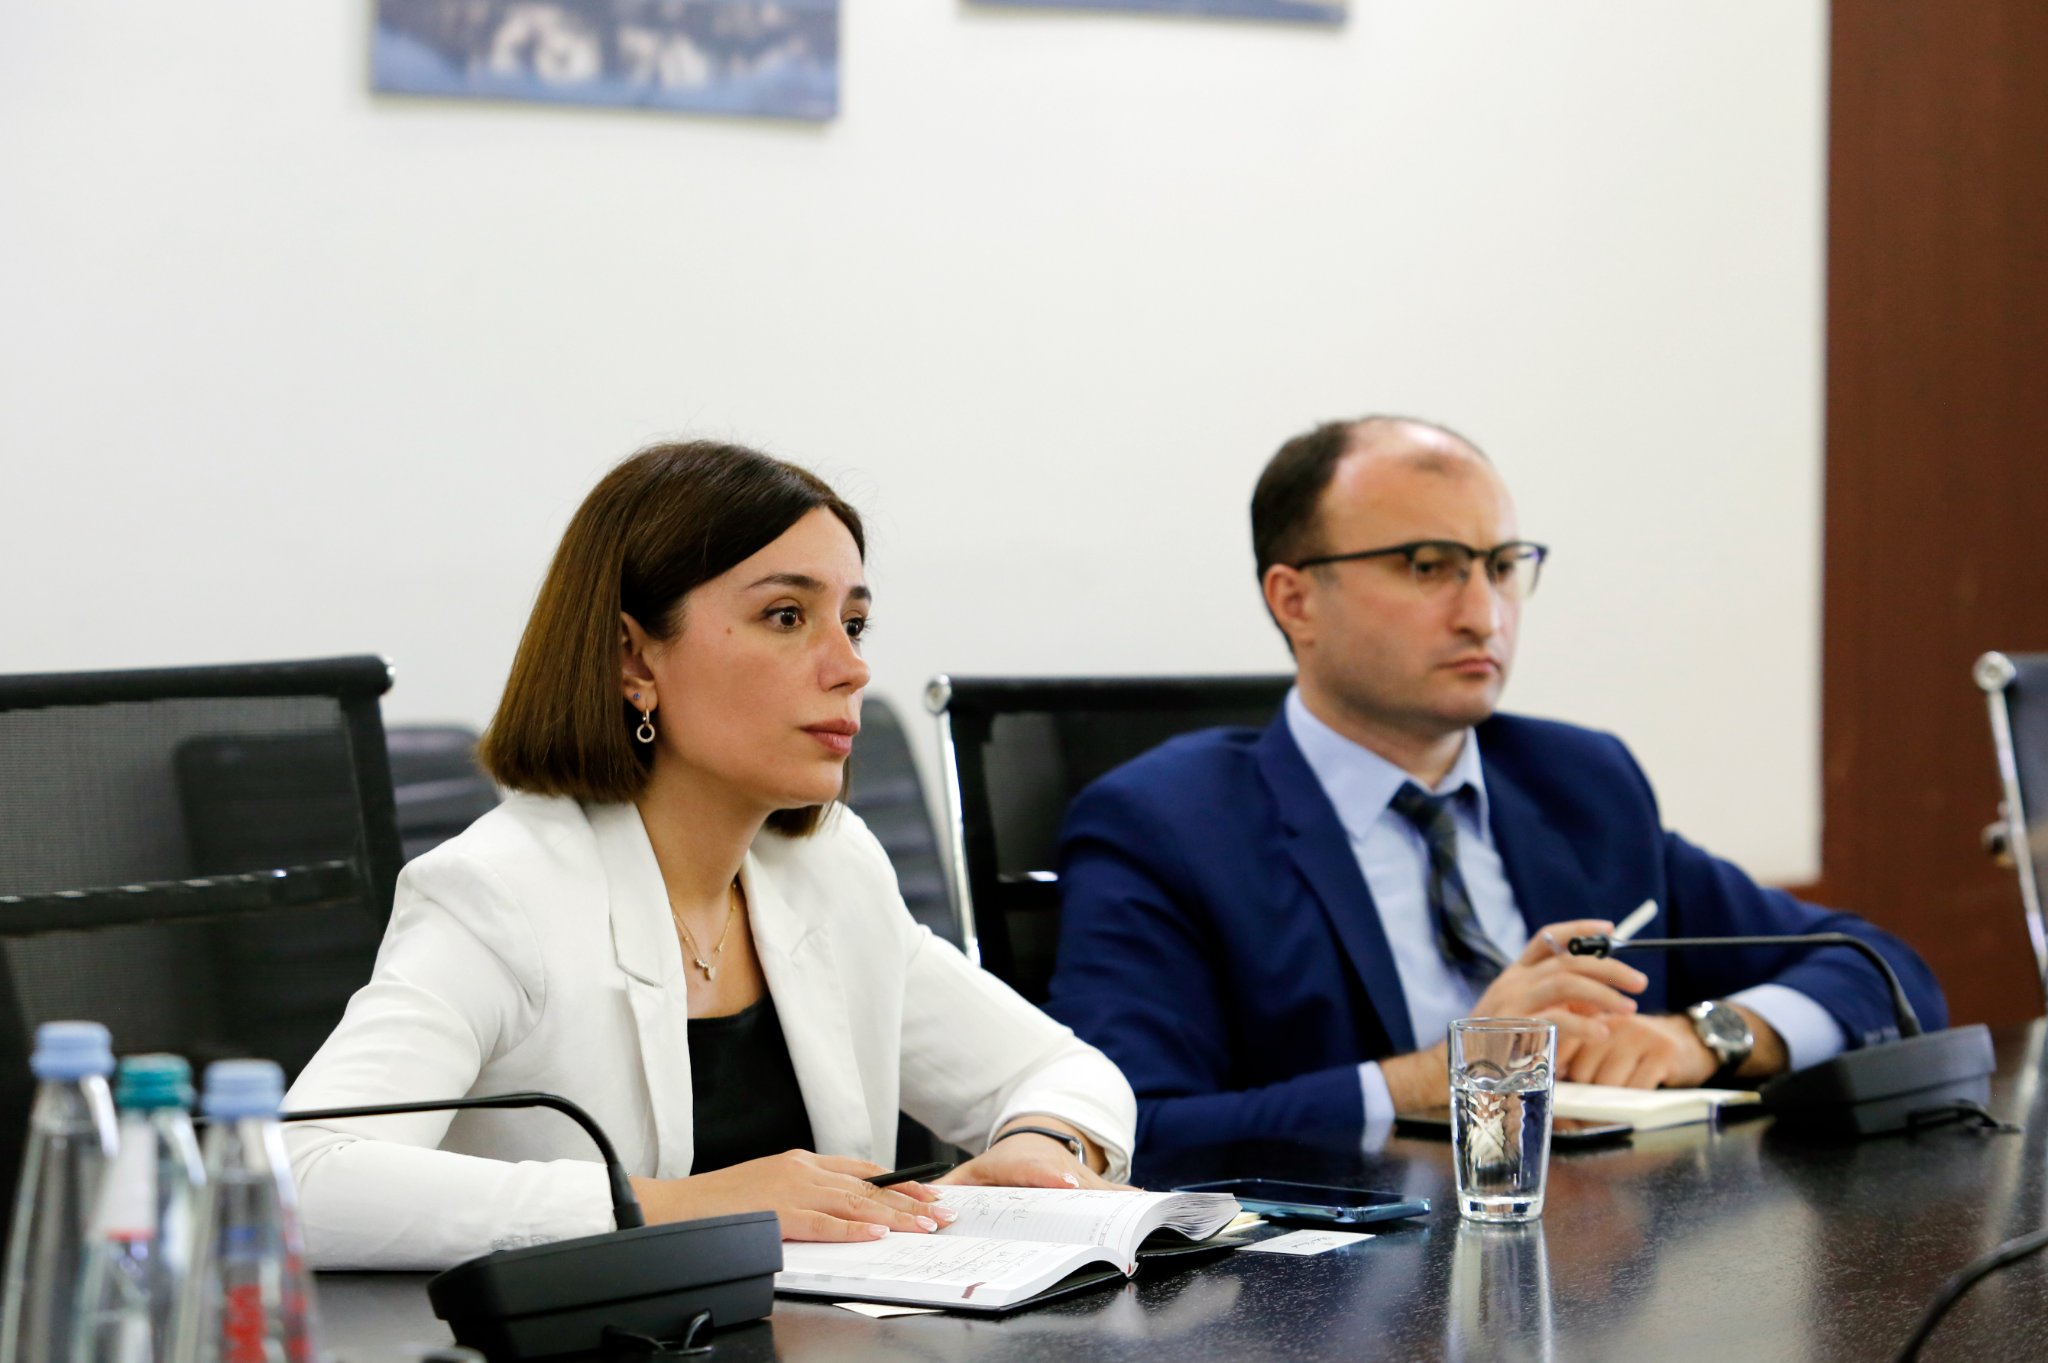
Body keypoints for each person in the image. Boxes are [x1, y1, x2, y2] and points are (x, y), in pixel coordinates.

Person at [285, 440, 1135, 1269]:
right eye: (787, 616)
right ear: (633, 658)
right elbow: (300, 1177)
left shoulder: (831, 867)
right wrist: (672, 1206)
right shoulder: (500, 892)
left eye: (855, 624)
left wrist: (1043, 1146)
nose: (850, 668)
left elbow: (1057, 1068)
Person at [1044, 415, 1945, 1158]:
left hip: (1614, 1258)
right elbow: (1120, 1130)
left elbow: (1882, 970)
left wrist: (1701, 1037)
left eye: (1502, 566)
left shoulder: (1580, 782)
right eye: (1428, 565)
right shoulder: (1166, 825)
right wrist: (1440, 1076)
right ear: (1295, 600)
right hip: (1343, 1285)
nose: (1484, 613)